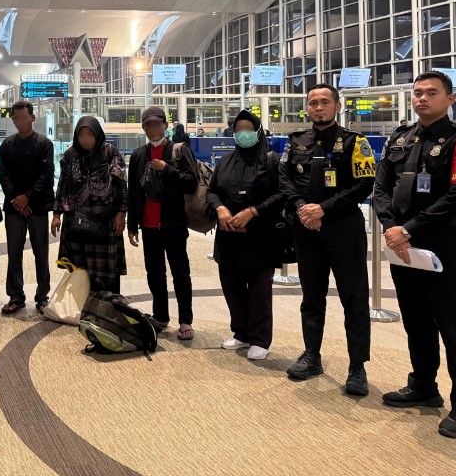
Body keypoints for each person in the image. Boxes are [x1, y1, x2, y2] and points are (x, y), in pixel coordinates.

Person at [374, 71, 456, 439]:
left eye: (431, 93)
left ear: (450, 99)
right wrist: (392, 228)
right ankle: (423, 386)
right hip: (403, 247)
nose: (422, 98)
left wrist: (408, 229)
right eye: (418, 92)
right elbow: (381, 188)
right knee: (416, 321)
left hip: (445, 243)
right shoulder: (400, 139)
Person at [278, 83, 376, 395]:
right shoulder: (296, 142)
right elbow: (284, 178)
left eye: (324, 102)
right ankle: (312, 356)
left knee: (354, 299)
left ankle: (357, 366)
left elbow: (364, 184)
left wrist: (324, 209)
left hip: (343, 229)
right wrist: (302, 208)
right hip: (306, 229)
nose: (318, 108)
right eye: (313, 103)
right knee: (311, 297)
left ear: (337, 106)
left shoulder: (355, 142)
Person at [206, 110, 283, 360]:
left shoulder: (270, 161)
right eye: (238, 129)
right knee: (232, 286)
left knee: (259, 289)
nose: (242, 133)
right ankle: (241, 332)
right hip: (228, 235)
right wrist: (220, 208)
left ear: (258, 131)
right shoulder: (225, 161)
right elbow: (211, 191)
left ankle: (260, 338)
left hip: (259, 235)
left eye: (248, 128)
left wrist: (253, 211)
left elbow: (281, 194)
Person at [127, 106, 197, 340]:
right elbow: (133, 191)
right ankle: (161, 316)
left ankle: (185, 320)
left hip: (173, 223)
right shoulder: (139, 155)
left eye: (157, 124)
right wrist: (132, 225)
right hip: (149, 225)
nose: (153, 128)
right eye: (148, 125)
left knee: (180, 272)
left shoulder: (179, 151)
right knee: (155, 273)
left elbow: (191, 183)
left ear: (165, 126)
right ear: (144, 128)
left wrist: (167, 169)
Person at [51, 117, 127, 294]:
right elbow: (62, 186)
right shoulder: (70, 155)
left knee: (106, 271)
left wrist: (121, 213)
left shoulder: (110, 153)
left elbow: (122, 186)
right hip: (77, 221)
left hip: (105, 220)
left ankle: (107, 305)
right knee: (80, 270)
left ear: (98, 134)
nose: (85, 139)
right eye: (81, 135)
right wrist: (56, 214)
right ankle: (81, 304)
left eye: (90, 134)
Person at [0, 101, 55, 315]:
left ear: (32, 118)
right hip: (14, 207)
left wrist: (28, 197)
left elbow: (47, 174)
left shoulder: (44, 143)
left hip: (37, 207)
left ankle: (42, 296)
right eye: (15, 118)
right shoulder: (7, 145)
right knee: (14, 253)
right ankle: (16, 296)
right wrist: (17, 199)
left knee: (41, 252)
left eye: (22, 117)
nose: (18, 121)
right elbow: (4, 175)